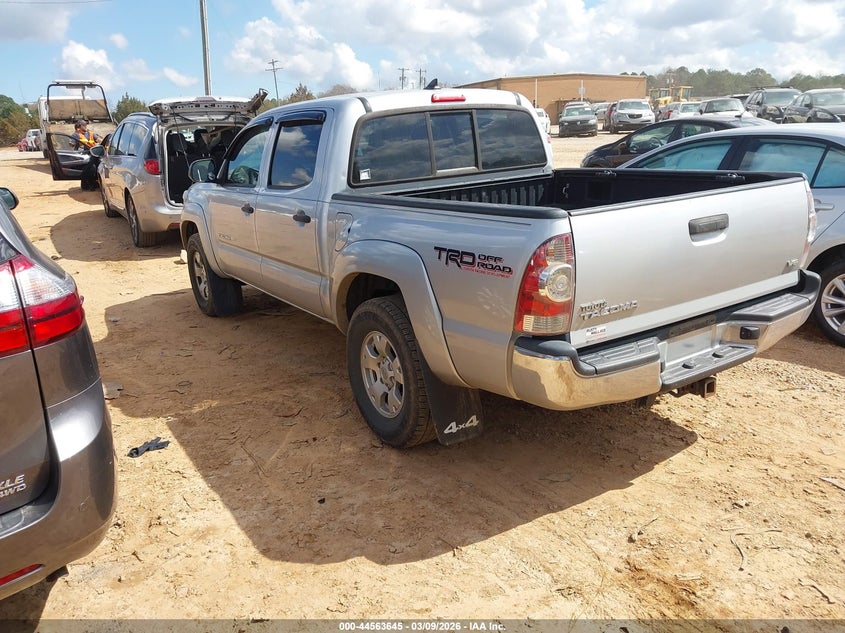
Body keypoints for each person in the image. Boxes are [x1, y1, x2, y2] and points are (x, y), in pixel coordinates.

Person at [72, 120, 103, 191]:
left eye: (86, 125)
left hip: (94, 154)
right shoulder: (75, 135)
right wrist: (73, 143)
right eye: (84, 125)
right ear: (79, 127)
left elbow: (99, 140)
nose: (86, 126)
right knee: (90, 169)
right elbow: (71, 143)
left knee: (98, 167)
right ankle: (86, 185)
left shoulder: (91, 133)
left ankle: (95, 184)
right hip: (84, 155)